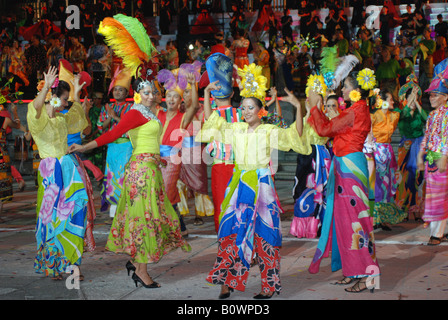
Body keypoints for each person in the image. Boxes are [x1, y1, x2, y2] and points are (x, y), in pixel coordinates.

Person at [199, 63, 311, 299]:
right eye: (244, 107)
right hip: (239, 186)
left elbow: (296, 136)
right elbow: (212, 122)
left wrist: (298, 107)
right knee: (230, 233)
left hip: (262, 188)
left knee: (265, 236)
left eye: (251, 108)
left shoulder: (268, 131)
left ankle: (268, 286)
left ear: (260, 110)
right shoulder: (236, 129)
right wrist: (207, 94)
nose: (246, 111)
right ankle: (226, 284)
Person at [307, 69, 380, 293]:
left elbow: (325, 128)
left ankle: (366, 275)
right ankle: (352, 271)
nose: (344, 90)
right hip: (345, 166)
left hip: (350, 168)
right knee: (345, 222)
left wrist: (314, 106)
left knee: (356, 222)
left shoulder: (355, 111)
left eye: (347, 87)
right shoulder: (356, 110)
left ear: (357, 90)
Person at [27, 65, 95, 280]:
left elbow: (82, 125)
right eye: (63, 99)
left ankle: (73, 265)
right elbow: (36, 108)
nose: (66, 104)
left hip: (68, 172)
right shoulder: (38, 120)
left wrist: (74, 94)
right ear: (53, 97)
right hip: (50, 174)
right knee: (51, 219)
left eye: (66, 100)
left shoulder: (62, 119)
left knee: (74, 214)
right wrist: (46, 86)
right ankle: (54, 265)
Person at [156, 62, 202, 236]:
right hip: (155, 159)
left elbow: (195, 107)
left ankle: (166, 230)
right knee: (164, 193)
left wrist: (192, 85)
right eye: (169, 96)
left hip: (171, 161)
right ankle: (181, 228)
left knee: (166, 192)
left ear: (180, 100)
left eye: (176, 96)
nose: (172, 99)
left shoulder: (183, 118)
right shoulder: (157, 113)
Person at [199, 52, 243, 232]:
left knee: (222, 206)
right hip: (238, 165)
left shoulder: (212, 115)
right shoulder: (242, 113)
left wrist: (206, 92)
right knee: (238, 205)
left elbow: (209, 117)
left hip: (222, 167)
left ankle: (225, 243)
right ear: (233, 92)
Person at [290, 75, 331, 239]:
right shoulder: (305, 119)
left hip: (323, 157)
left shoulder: (326, 118)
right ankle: (305, 226)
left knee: (324, 193)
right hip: (307, 158)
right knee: (304, 191)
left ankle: (321, 225)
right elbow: (297, 134)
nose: (315, 103)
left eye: (319, 100)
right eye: (312, 99)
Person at [417, 59, 448, 246]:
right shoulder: (431, 116)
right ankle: (438, 231)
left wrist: (444, 156)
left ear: (445, 97)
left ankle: (437, 233)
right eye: (430, 96)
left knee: (440, 197)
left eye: (436, 95)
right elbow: (426, 137)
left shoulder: (446, 115)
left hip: (442, 160)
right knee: (434, 196)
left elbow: (447, 137)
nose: (432, 98)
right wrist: (420, 155)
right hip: (432, 160)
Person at [176, 78, 214, 225]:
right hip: (180, 150)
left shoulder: (202, 110)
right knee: (180, 183)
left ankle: (199, 213)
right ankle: (182, 213)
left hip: (197, 150)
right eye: (185, 92)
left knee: (199, 183)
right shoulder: (178, 111)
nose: (187, 95)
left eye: (190, 91)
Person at [97, 68, 134, 217]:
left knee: (124, 175)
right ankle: (114, 212)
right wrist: (110, 117)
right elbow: (101, 127)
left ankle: (127, 208)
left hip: (126, 146)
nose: (117, 92)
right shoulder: (108, 108)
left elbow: (130, 127)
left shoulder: (131, 108)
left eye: (121, 90)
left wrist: (116, 117)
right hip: (112, 147)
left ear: (127, 93)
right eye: (115, 90)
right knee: (112, 176)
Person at [370, 89, 407, 230]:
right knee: (376, 185)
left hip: (388, 152)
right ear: (382, 101)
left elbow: (406, 109)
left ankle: (383, 217)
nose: (393, 102)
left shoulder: (394, 115)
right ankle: (374, 218)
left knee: (387, 185)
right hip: (376, 151)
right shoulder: (373, 116)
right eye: (390, 99)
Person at [394, 75, 426, 221]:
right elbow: (405, 114)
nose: (413, 100)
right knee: (406, 178)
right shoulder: (402, 113)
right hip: (406, 148)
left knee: (419, 177)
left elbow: (427, 118)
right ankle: (404, 209)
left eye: (416, 97)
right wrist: (410, 101)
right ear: (405, 100)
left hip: (419, 145)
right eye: (410, 98)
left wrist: (417, 103)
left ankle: (417, 208)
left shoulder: (419, 112)